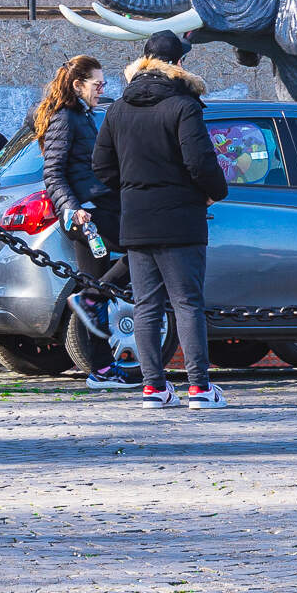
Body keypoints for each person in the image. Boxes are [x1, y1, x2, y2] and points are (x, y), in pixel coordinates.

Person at [93, 30, 230, 409]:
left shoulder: (118, 109)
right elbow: (200, 161)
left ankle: (154, 387)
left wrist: (133, 189)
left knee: (146, 306)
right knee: (187, 304)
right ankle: (199, 388)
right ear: (178, 64)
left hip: (137, 220)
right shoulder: (183, 105)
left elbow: (101, 166)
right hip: (181, 219)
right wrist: (213, 192)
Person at [32, 55, 135, 390]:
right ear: (78, 85)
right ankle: (91, 297)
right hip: (89, 213)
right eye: (97, 84)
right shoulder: (66, 118)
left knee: (97, 290)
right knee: (145, 249)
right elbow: (53, 172)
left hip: (94, 210)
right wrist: (72, 208)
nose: (101, 90)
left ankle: (102, 370)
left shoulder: (82, 115)